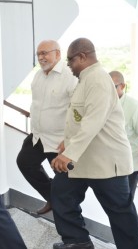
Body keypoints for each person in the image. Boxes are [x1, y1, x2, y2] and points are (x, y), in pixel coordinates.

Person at [51, 38, 138, 249]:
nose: (69, 66)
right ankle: (78, 241)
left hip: (107, 163)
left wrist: (68, 154)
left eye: (70, 61)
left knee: (121, 215)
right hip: (84, 159)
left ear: (83, 57)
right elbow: (81, 118)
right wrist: (68, 144)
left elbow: (93, 121)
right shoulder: (86, 79)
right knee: (61, 193)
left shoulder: (99, 80)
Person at [16, 40, 77, 215]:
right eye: (39, 54)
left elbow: (76, 110)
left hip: (60, 140)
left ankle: (71, 226)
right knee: (25, 162)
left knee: (65, 184)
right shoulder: (38, 75)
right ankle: (51, 198)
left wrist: (69, 139)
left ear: (57, 53)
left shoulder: (69, 76)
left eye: (45, 53)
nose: (41, 57)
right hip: (38, 136)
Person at [109, 71, 138, 199]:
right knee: (113, 201)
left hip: (131, 165)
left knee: (125, 202)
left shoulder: (135, 107)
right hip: (110, 164)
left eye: (113, 87)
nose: (108, 91)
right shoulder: (104, 104)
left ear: (123, 86)